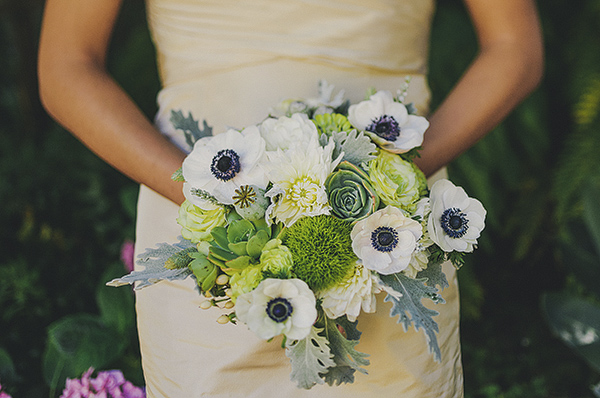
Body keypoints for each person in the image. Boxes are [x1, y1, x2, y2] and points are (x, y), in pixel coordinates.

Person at [38, 0, 543, 397]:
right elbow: (67, 66)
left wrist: (383, 181)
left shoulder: (386, 209)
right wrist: (211, 196)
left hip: (389, 242)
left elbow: (513, 45)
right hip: (208, 246)